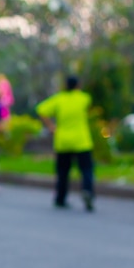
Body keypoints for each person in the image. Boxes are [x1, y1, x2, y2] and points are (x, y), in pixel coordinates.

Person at [36, 76, 95, 212]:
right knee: (86, 170)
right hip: (81, 141)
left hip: (62, 141)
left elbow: (41, 109)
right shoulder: (84, 98)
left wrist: (51, 127)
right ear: (78, 85)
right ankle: (87, 191)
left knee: (63, 172)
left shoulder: (59, 99)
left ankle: (60, 198)